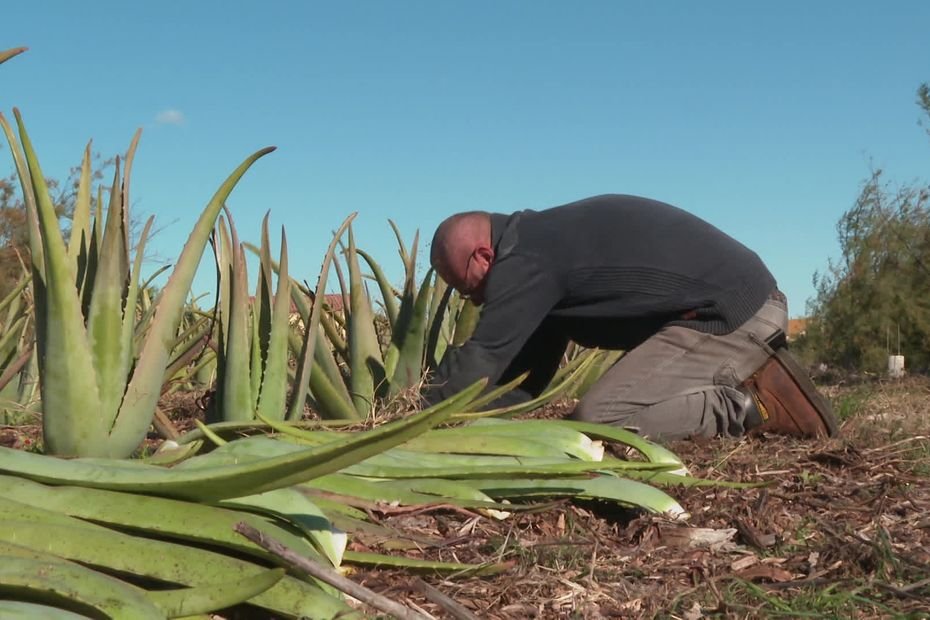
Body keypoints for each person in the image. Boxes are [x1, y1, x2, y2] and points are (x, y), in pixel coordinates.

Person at [423, 194, 837, 441]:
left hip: (733, 314)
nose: (473, 300)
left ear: (483, 256)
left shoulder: (526, 258)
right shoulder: (543, 247)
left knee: (598, 420)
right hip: (730, 305)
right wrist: (478, 424)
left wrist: (411, 415)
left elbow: (484, 356)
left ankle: (748, 406)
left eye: (466, 287)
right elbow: (523, 378)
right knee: (596, 416)